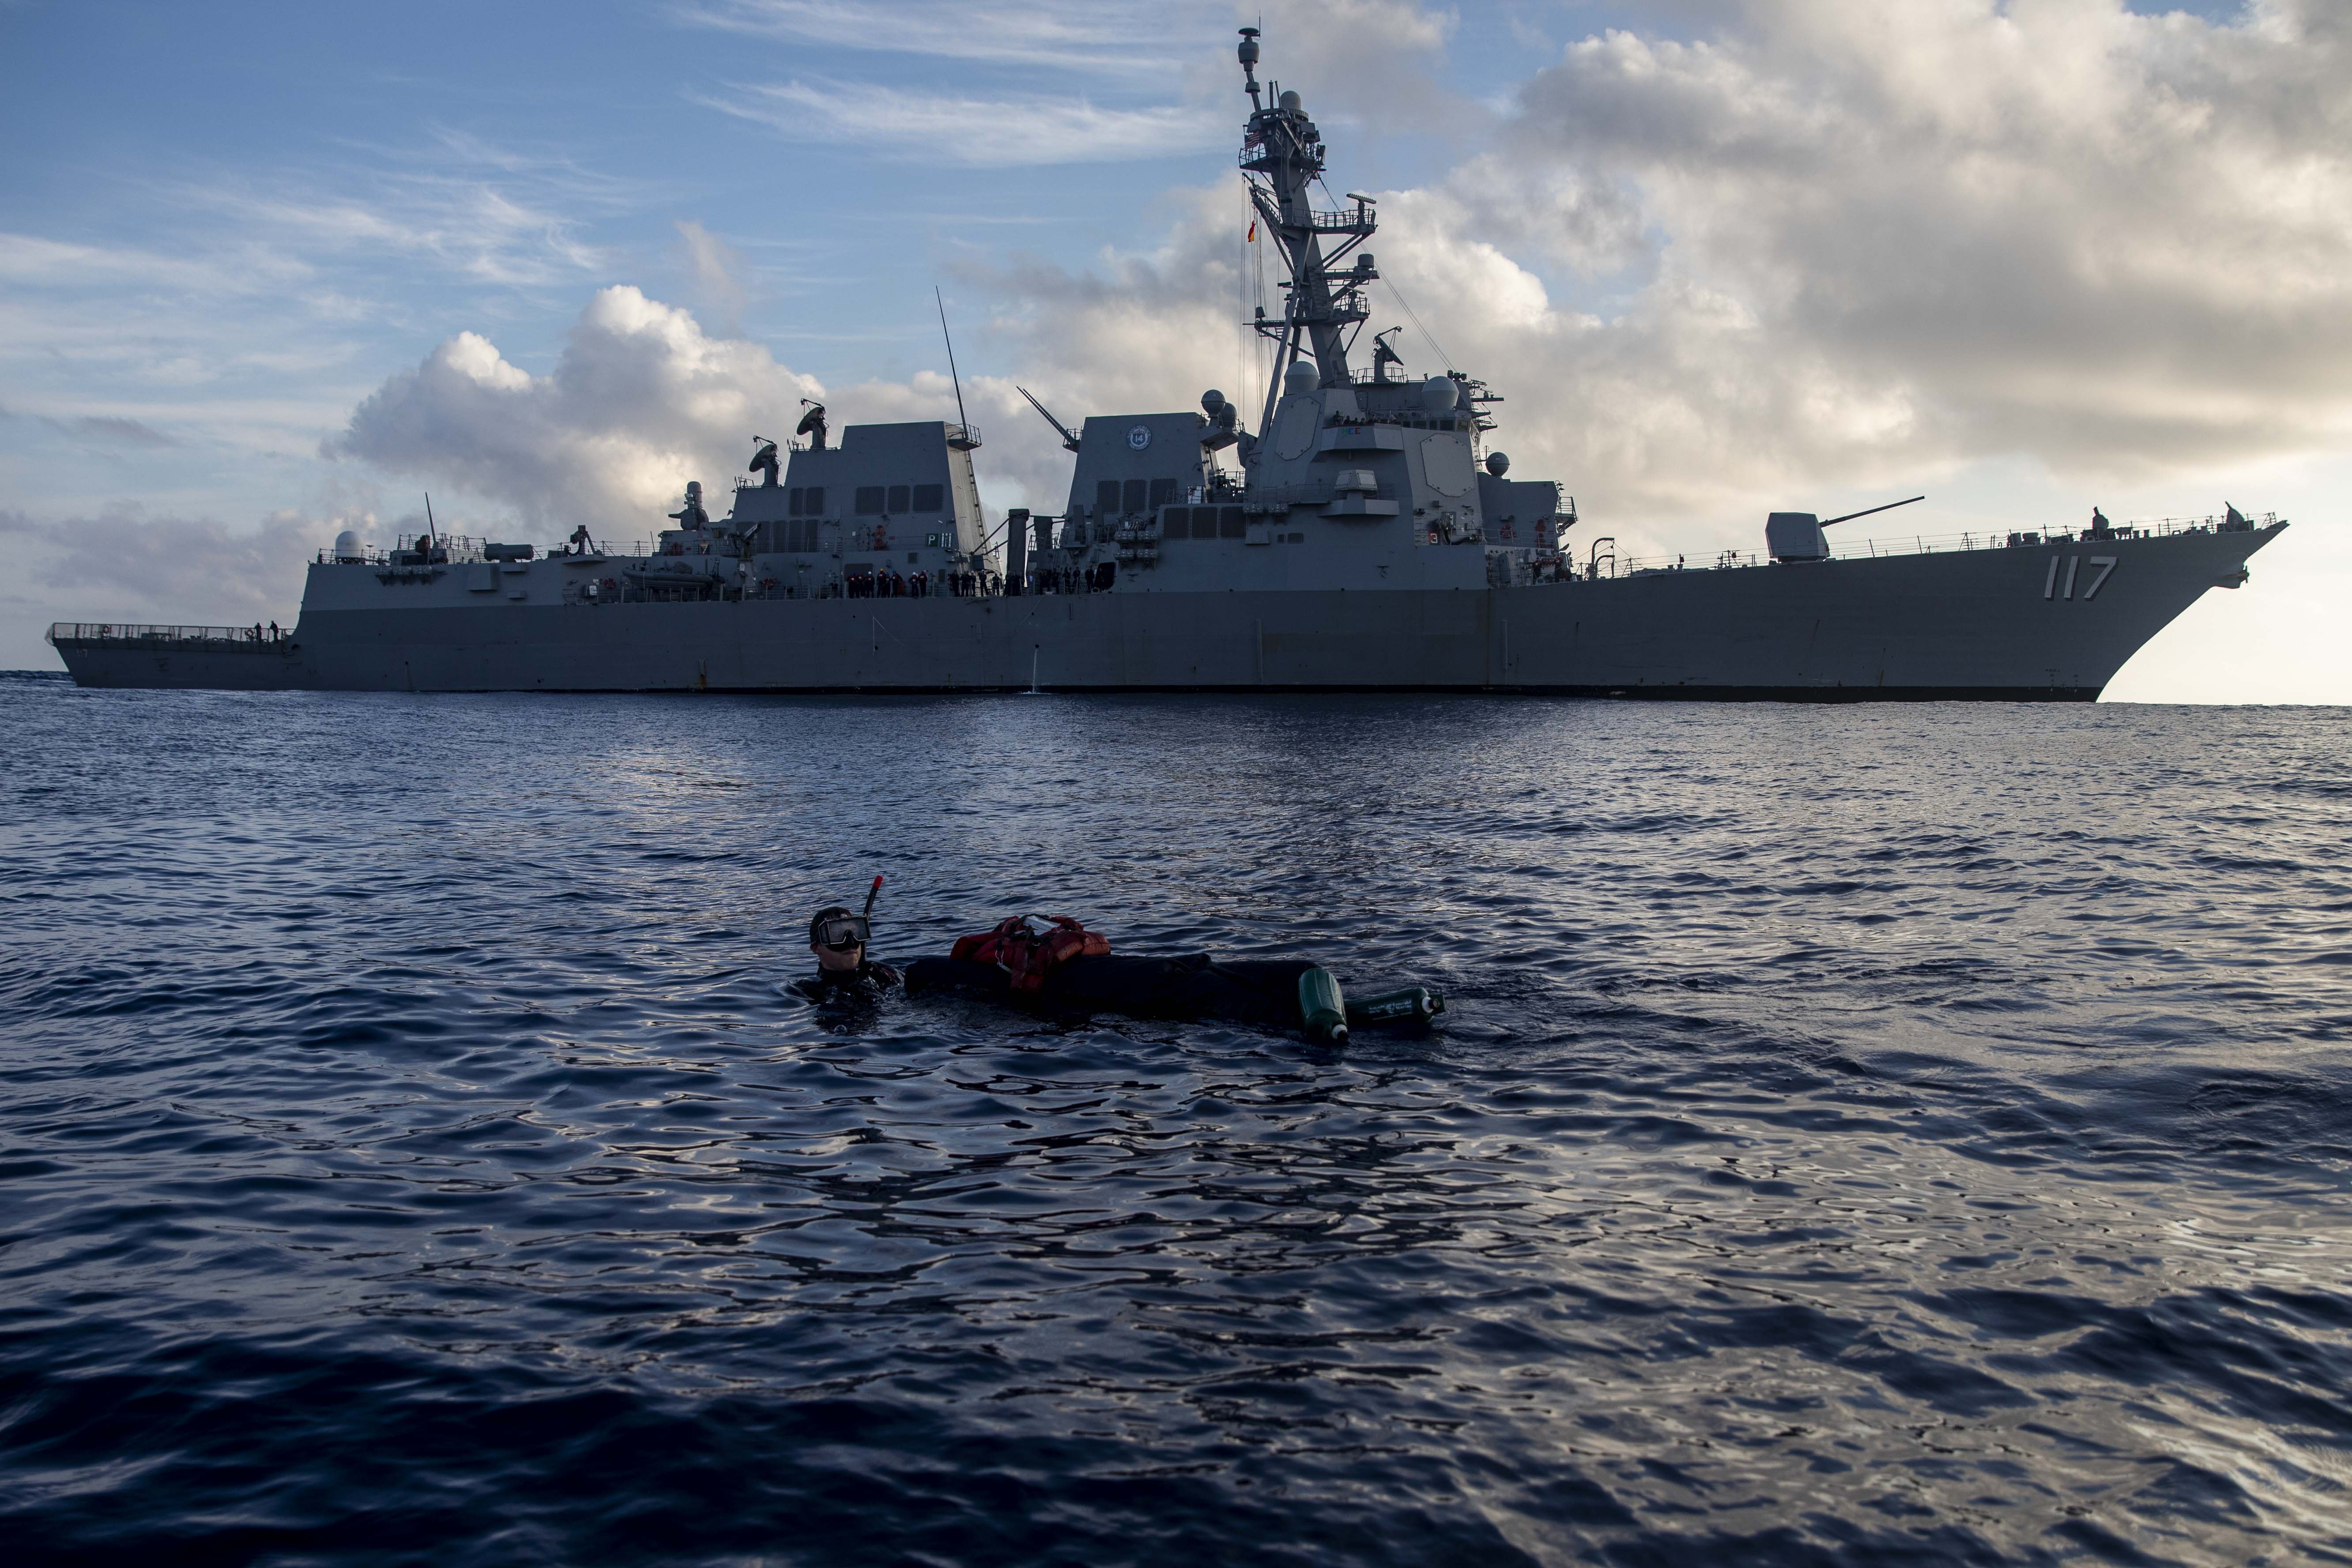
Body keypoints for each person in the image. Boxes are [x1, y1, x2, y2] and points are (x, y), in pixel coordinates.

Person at [794, 904, 902, 1003]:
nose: (850, 942)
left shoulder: (883, 972)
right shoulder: (810, 989)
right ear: (816, 948)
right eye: (837, 936)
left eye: (855, 934)